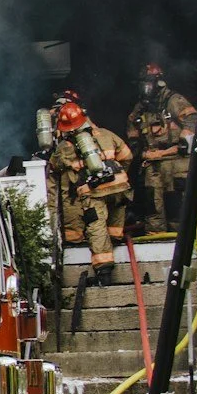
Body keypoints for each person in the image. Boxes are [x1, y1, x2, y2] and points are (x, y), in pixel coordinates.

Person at [46, 98, 133, 289]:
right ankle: (115, 242)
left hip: (94, 192)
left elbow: (54, 167)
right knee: (114, 221)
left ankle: (104, 272)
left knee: (96, 225)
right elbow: (128, 156)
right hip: (120, 185)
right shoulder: (107, 134)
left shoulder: (65, 148)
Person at [125, 62, 197, 236]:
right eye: (143, 83)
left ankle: (180, 242)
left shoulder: (174, 101)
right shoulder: (139, 109)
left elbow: (193, 120)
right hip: (153, 165)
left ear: (159, 82)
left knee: (175, 204)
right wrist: (139, 152)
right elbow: (132, 134)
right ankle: (155, 238)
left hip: (176, 163)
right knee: (152, 206)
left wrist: (181, 144)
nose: (146, 87)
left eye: (149, 83)